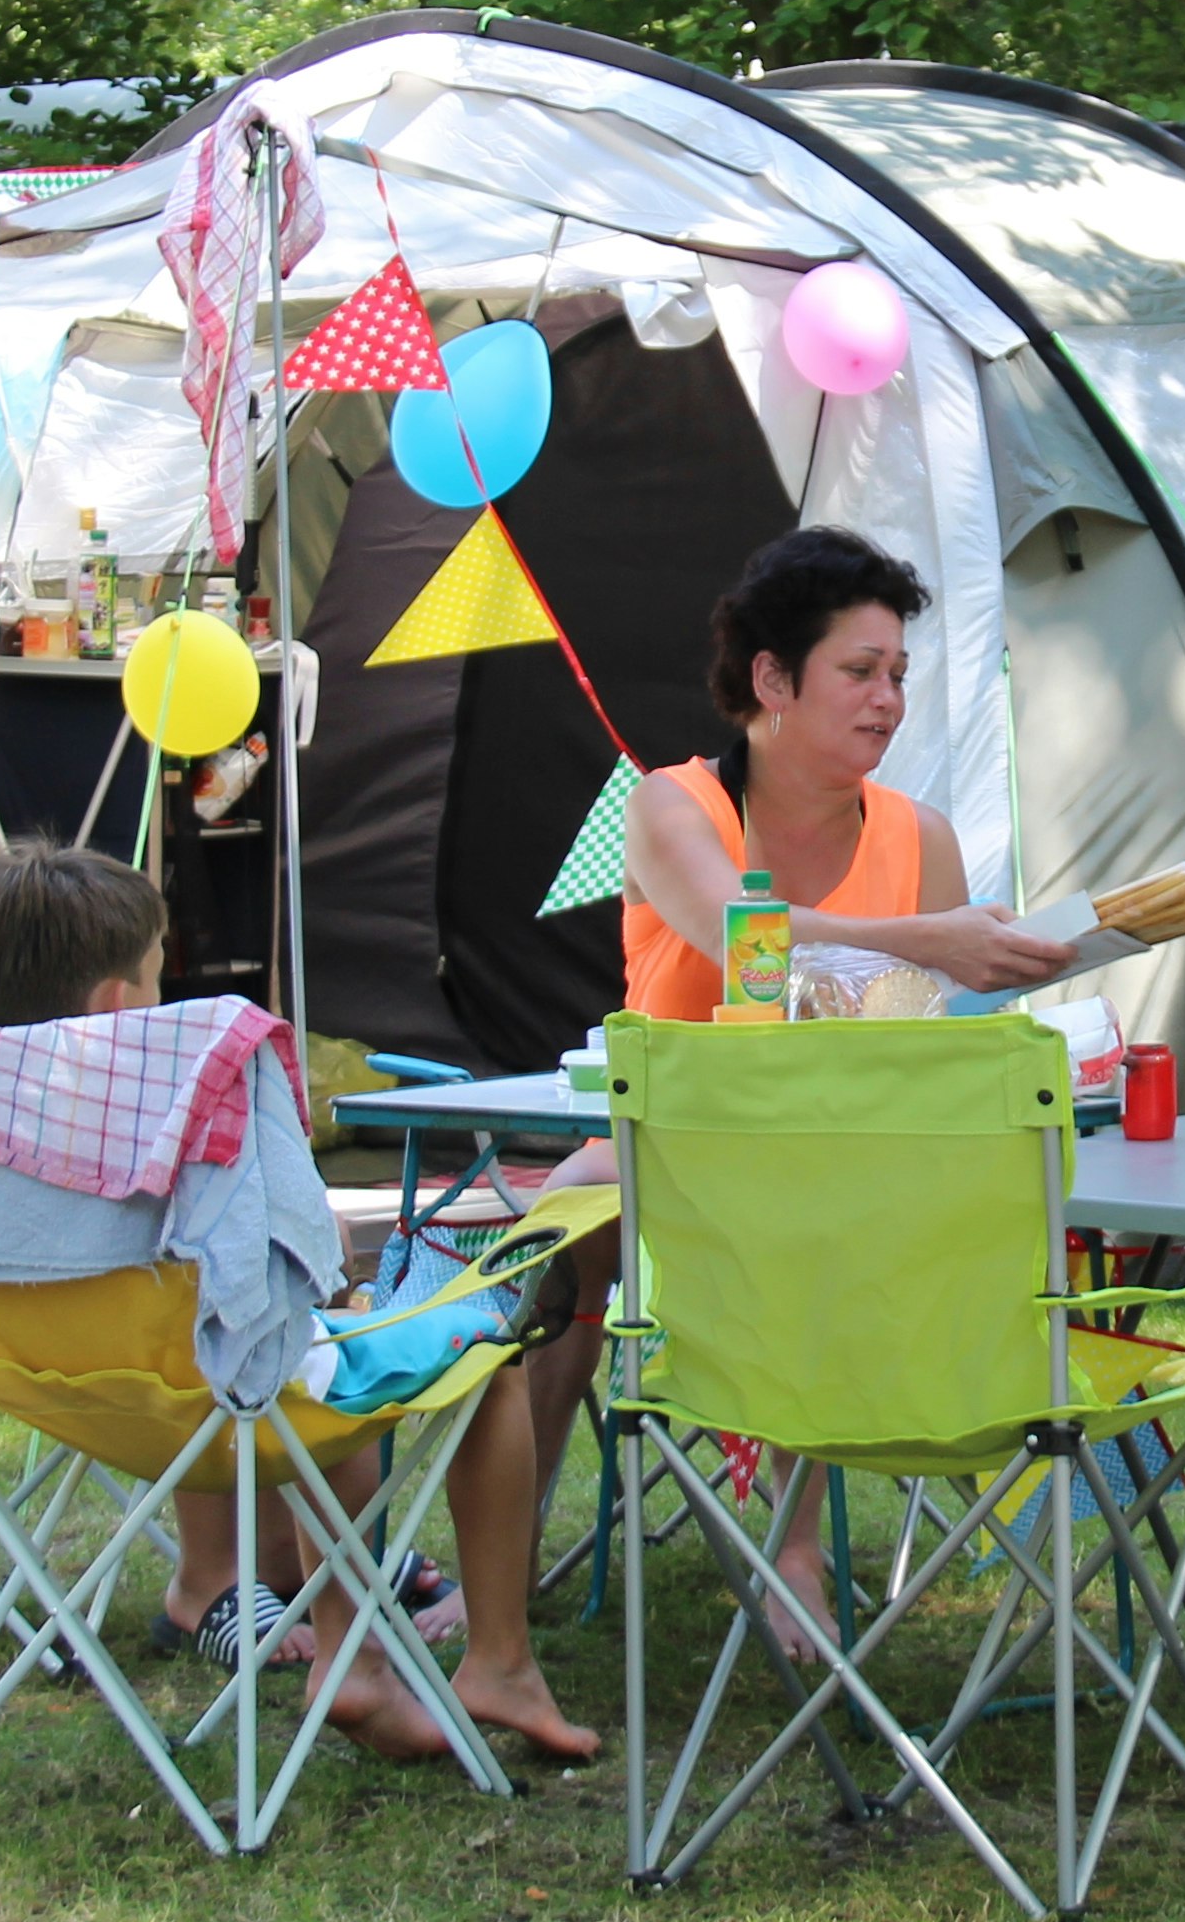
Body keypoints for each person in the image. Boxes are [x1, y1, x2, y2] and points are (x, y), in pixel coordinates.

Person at [437, 528, 1080, 1763]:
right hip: (675, 1152)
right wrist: (931, 942)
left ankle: (791, 1548)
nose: (890, 701)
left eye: (899, 673)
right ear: (772, 683)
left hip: (852, 1165)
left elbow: (935, 1040)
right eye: (861, 672)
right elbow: (748, 946)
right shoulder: (676, 806)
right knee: (539, 1255)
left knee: (823, 1209)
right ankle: (494, 1615)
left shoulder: (920, 838)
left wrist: (987, 959)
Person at [0, 839, 452, 1766]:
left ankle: (271, 1580)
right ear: (119, 1004)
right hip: (212, 1406)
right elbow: (287, 1269)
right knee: (352, 1358)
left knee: (278, 1348)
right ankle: (360, 1652)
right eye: (154, 981)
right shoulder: (188, 1109)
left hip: (27, 1383)